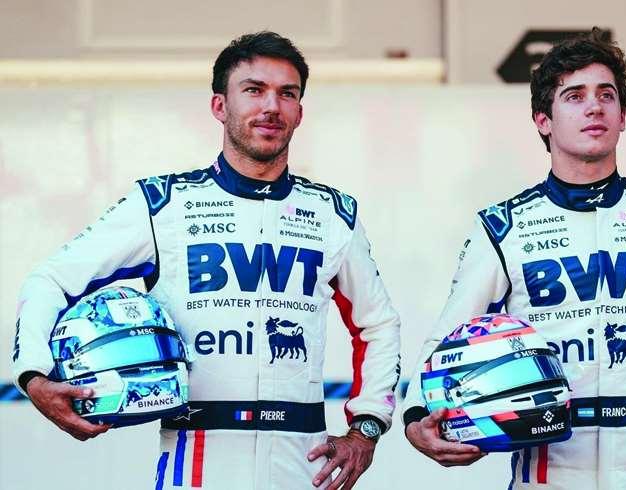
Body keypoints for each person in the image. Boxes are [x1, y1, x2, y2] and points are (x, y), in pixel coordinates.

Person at [11, 31, 401, 490]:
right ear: (220, 106)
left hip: (305, 466)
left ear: (299, 112)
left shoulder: (332, 214)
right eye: (253, 90)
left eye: (287, 94)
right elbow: (50, 280)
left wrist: (367, 428)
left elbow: (378, 324)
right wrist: (33, 374)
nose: (271, 106)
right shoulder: (162, 205)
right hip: (196, 464)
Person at [402, 28, 626, 489]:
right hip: (548, 474)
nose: (594, 107)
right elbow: (447, 338)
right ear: (543, 120)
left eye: (606, 95)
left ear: (622, 117)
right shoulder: (504, 227)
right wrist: (416, 419)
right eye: (574, 96)